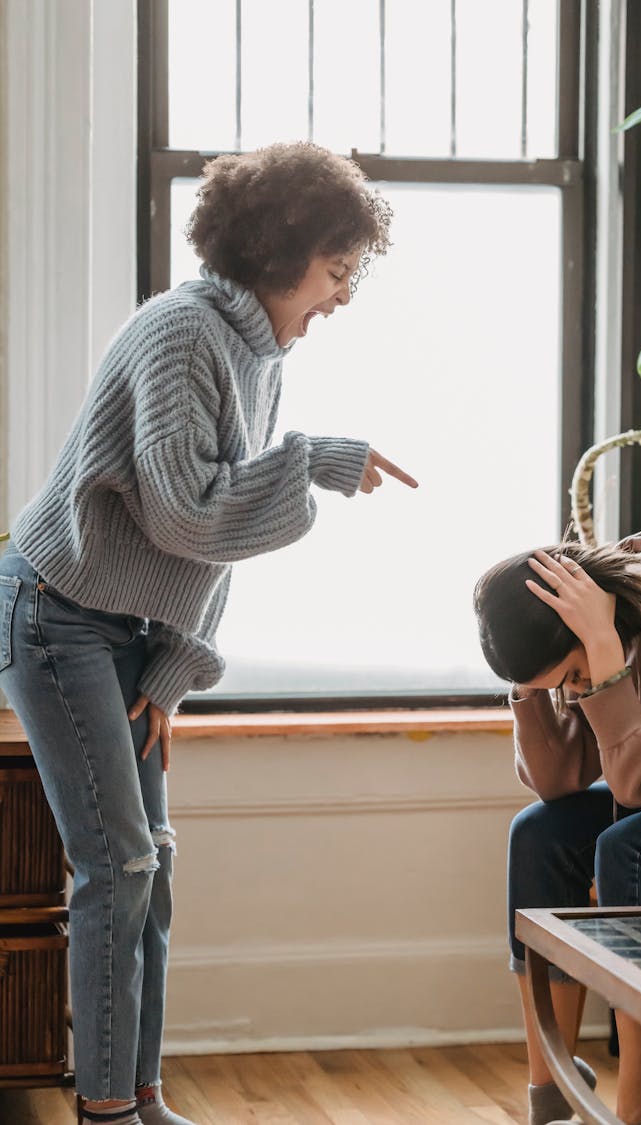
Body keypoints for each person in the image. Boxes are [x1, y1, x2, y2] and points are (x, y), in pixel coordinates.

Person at [0, 141, 417, 1125]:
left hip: (125, 628)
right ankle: (107, 1111)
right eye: (338, 269)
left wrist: (178, 666)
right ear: (283, 251)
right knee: (120, 864)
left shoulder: (258, 353)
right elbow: (187, 512)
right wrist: (312, 463)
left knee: (156, 860)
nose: (343, 297)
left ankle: (141, 1100)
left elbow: (213, 536)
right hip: (55, 611)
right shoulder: (184, 332)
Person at [473, 487, 641, 1125]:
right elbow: (559, 781)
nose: (575, 690)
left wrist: (599, 656)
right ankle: (550, 1091)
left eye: (568, 677)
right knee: (541, 832)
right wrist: (533, 689)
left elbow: (637, 781)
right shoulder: (603, 610)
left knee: (630, 843)